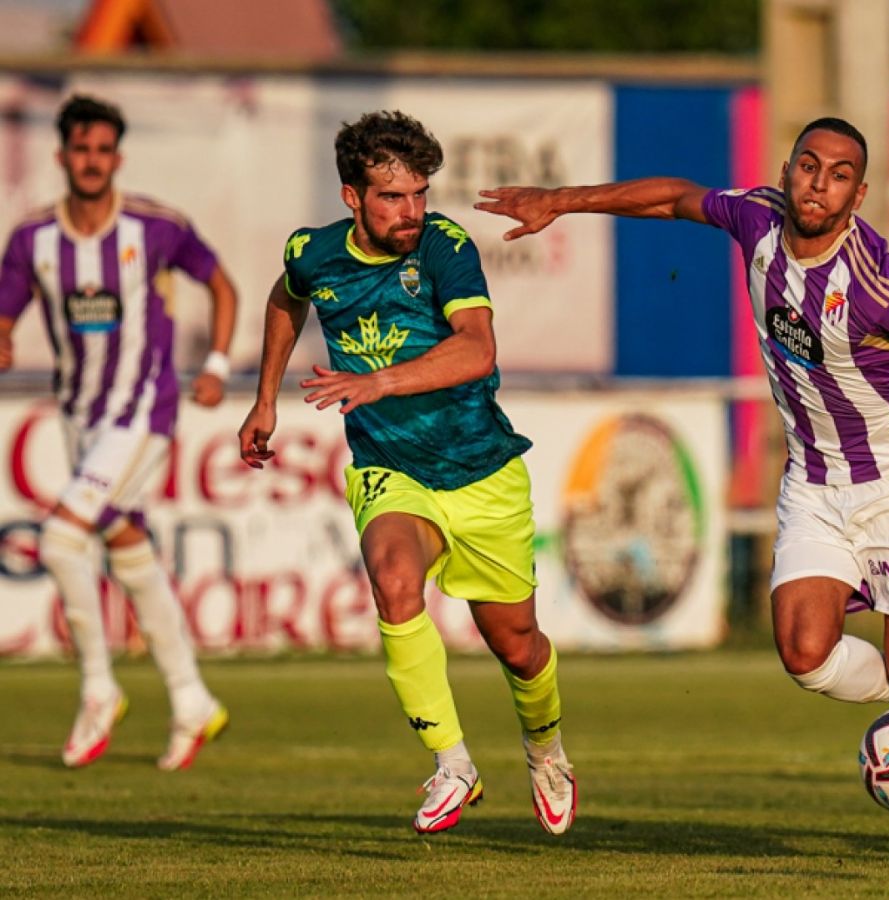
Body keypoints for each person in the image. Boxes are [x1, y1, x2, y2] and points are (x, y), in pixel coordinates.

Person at [477, 117, 889, 863]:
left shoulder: (879, 284)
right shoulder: (757, 220)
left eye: (839, 175)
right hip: (813, 485)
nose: (819, 184)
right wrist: (562, 200)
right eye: (809, 166)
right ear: (787, 170)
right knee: (805, 654)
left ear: (859, 193)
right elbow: (674, 199)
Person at [237, 111, 574, 836]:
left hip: (480, 470)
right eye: (392, 197)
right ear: (351, 198)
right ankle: (453, 764)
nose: (412, 211)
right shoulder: (312, 252)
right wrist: (264, 399)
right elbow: (286, 297)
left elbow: (477, 350)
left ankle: (546, 749)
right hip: (391, 469)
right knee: (393, 582)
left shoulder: (445, 247)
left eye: (420, 193)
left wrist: (379, 381)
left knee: (518, 645)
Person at [0, 94, 235, 771]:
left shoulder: (153, 227)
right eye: (82, 149)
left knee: (58, 540)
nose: (92, 161)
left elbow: (221, 285)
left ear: (117, 158)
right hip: (79, 414)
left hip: (142, 411)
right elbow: (5, 313)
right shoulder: (33, 240)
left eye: (103, 150)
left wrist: (216, 365)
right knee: (127, 548)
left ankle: (98, 689)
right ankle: (191, 700)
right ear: (62, 156)